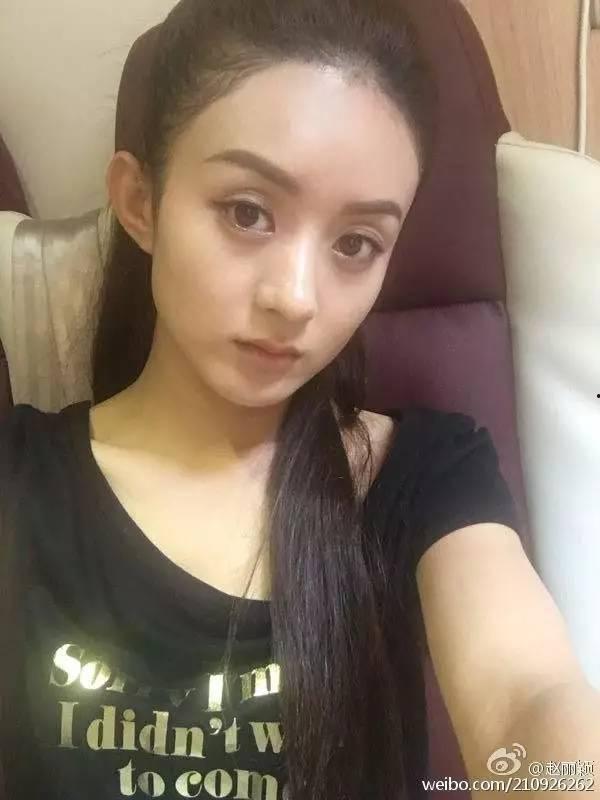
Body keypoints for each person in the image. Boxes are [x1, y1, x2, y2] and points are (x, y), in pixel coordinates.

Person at [0, 1, 599, 798]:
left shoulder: (422, 476)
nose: (296, 298)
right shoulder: (21, 479)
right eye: (248, 213)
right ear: (140, 202)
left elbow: (528, 694)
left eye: (356, 244)